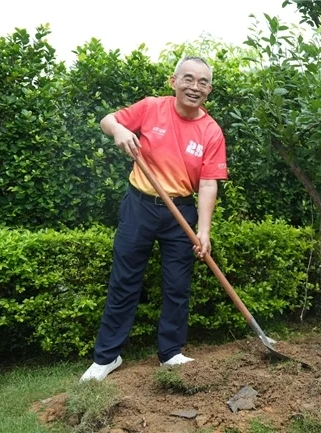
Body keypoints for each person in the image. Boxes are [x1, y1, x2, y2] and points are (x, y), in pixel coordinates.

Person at [80, 56, 228, 381]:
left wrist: (203, 231)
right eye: (188, 79)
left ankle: (170, 353)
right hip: (140, 205)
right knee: (124, 281)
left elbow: (207, 183)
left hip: (181, 212)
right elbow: (107, 120)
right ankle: (107, 357)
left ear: (210, 90)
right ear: (173, 81)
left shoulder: (211, 131)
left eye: (203, 82)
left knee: (178, 286)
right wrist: (119, 130)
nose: (195, 86)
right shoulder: (150, 107)